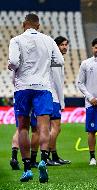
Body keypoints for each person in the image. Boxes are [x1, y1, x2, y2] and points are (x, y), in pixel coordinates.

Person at [8, 13, 64, 182]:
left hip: (23, 87)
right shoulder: (48, 40)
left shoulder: (16, 40)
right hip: (43, 87)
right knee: (43, 127)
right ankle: (43, 161)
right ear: (38, 26)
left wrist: (12, 66)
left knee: (23, 127)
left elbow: (14, 62)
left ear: (24, 24)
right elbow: (60, 61)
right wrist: (45, 63)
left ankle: (26, 168)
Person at [77, 38, 97, 165]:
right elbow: (80, 83)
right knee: (92, 130)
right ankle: (92, 157)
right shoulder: (86, 63)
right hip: (91, 103)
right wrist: (90, 97)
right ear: (92, 48)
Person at [46, 36, 71, 166]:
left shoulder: (53, 59)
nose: (65, 47)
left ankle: (54, 156)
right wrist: (62, 102)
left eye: (66, 44)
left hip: (49, 96)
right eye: (62, 45)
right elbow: (57, 83)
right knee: (55, 128)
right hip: (53, 97)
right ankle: (47, 156)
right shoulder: (56, 61)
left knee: (54, 128)